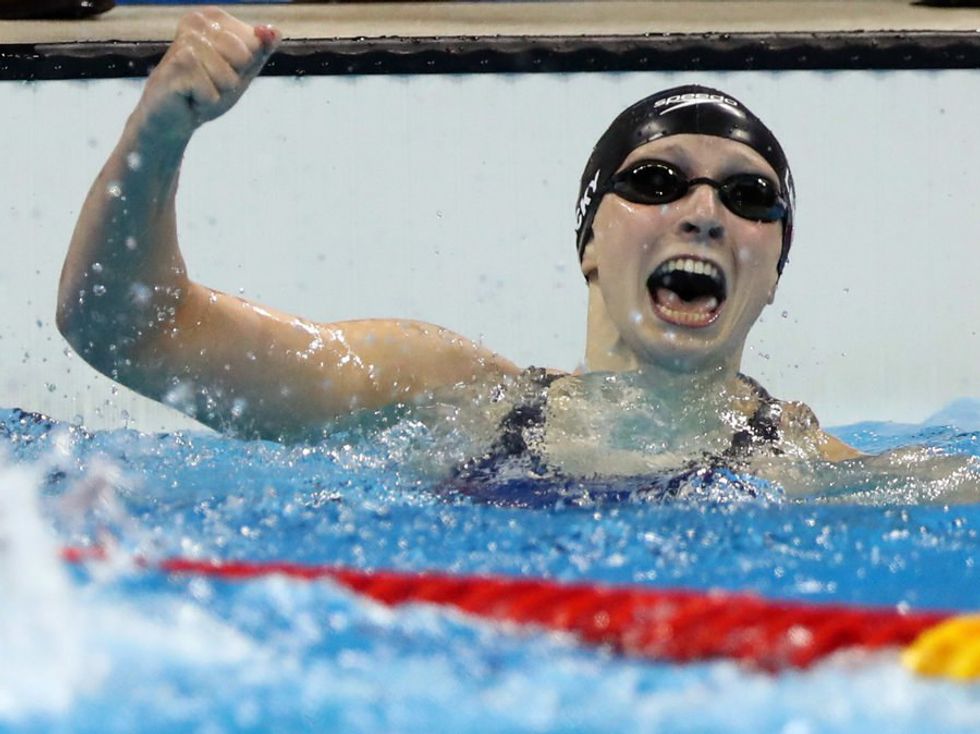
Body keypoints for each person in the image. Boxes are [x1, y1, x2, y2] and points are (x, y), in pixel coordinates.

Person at [57, 7, 862, 492]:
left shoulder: (815, 475)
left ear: (774, 273)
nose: (705, 213)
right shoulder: (446, 401)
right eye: (656, 181)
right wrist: (157, 134)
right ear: (590, 243)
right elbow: (126, 331)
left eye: (749, 196)